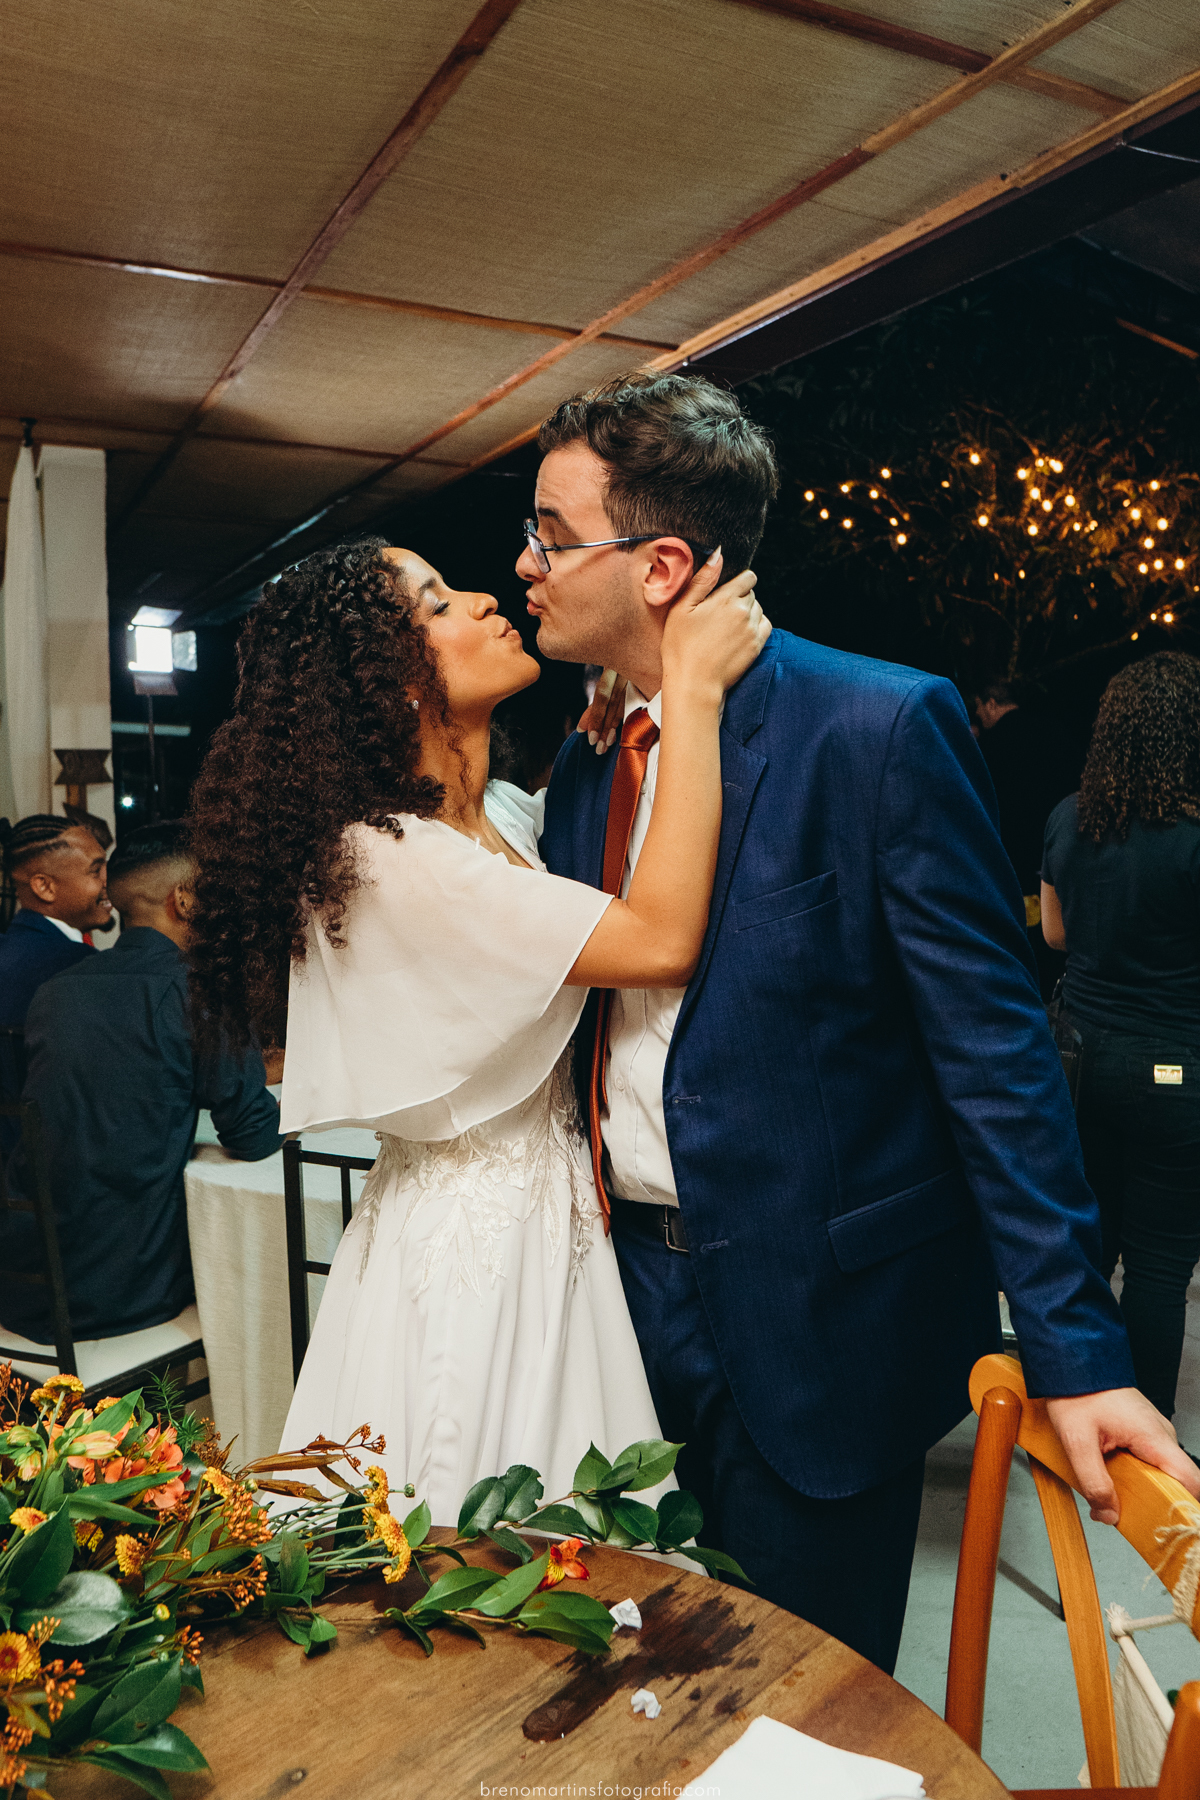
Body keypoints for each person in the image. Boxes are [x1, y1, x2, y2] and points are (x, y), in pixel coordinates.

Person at [526, 372, 1200, 1673]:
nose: (527, 563)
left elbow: (995, 1056)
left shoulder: (877, 726)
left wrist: (1074, 1348)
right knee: (633, 1694)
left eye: (552, 534)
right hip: (620, 1312)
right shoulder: (590, 759)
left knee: (807, 1719)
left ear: (662, 563)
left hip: (825, 1319)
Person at [185, 537, 768, 1520]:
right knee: (471, 1530)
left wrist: (619, 724)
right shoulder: (388, 854)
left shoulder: (482, 818)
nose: (487, 598)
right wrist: (695, 694)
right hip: (478, 1265)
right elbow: (659, 938)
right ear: (390, 679)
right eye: (441, 601)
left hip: (544, 1228)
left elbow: (522, 884)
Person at [0, 821, 283, 1345]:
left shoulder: (56, 992)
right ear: (184, 900)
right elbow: (254, 1135)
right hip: (124, 1295)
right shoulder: (198, 990)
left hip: (24, 1289)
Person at [1041, 653, 1200, 1439]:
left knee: (1087, 1245)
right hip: (1175, 1064)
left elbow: (1057, 934)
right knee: (1162, 1263)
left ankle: (1071, 1407)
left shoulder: (1070, 818)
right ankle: (1149, 1434)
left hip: (1077, 1059)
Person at [0, 815, 115, 1158]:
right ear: (44, 887)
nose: (109, 881)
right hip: (51, 1166)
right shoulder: (78, 967)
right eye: (96, 871)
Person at [972, 678, 1082, 998]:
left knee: (1019, 938)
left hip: (1011, 860)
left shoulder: (989, 748)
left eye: (979, 709)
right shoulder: (1055, 733)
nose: (980, 717)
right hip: (1060, 850)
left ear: (991, 703)